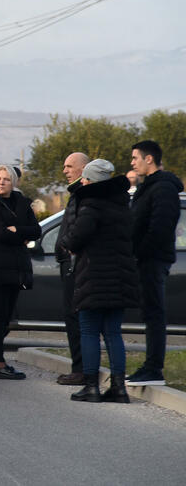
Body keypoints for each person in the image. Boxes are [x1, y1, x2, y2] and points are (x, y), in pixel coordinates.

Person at [60, 159, 138, 403]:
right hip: (120, 278)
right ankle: (119, 388)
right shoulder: (123, 205)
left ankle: (91, 386)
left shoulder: (91, 205)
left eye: (85, 178)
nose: (81, 181)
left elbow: (74, 239)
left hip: (93, 277)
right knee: (113, 332)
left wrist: (68, 244)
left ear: (92, 181)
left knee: (89, 331)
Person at [127, 140, 183, 387]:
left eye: (135, 158)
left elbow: (160, 227)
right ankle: (150, 367)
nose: (132, 163)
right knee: (150, 313)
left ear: (149, 159)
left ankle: (153, 368)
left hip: (153, 259)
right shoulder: (149, 186)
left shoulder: (163, 188)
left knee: (155, 313)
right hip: (145, 258)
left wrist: (140, 252)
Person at [0, 164, 41, 379]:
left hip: (16, 270)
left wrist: (18, 230)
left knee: (6, 319)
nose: (1, 182)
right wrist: (19, 236)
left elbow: (36, 230)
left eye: (5, 179)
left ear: (13, 182)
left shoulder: (21, 203)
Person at [54, 152, 90, 386]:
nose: (65, 171)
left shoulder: (83, 196)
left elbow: (78, 230)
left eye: (69, 166)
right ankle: (80, 367)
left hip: (77, 266)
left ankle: (82, 369)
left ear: (83, 168)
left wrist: (67, 246)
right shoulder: (75, 194)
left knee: (77, 318)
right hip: (70, 265)